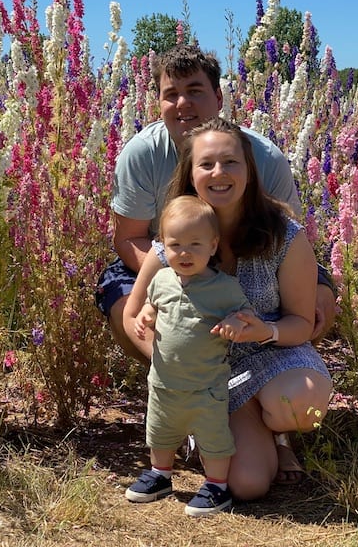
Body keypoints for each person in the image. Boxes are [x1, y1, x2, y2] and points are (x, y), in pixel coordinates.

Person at [95, 44, 336, 481]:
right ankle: (186, 407)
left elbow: (290, 236)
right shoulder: (142, 154)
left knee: (312, 337)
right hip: (170, 259)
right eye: (172, 94)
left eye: (195, 91)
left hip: (260, 313)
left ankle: (276, 427)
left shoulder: (265, 159)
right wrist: (171, 284)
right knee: (245, 484)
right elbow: (130, 239)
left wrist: (286, 320)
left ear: (219, 98)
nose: (183, 103)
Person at [123, 118, 333, 501]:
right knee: (248, 485)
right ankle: (257, 431)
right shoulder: (176, 237)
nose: (219, 173)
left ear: (249, 171)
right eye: (206, 164)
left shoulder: (284, 236)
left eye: (230, 162)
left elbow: (301, 323)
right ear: (190, 175)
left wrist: (263, 331)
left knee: (300, 405)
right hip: (210, 379)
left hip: (274, 357)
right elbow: (134, 313)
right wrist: (177, 363)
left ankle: (279, 427)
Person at [125, 195, 253, 517]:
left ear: (213, 246)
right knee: (160, 431)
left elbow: (245, 315)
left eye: (195, 244)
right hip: (165, 382)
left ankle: (217, 485)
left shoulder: (225, 288)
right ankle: (161, 474)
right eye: (175, 244)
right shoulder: (163, 279)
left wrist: (233, 322)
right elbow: (152, 305)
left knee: (214, 438)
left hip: (206, 387)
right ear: (163, 246)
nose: (184, 253)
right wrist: (145, 315)